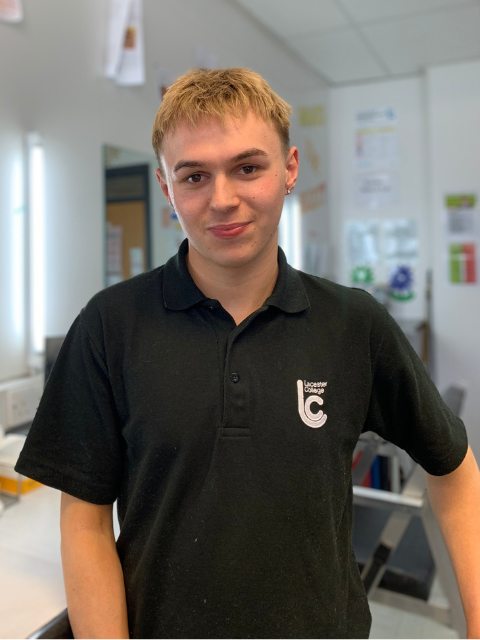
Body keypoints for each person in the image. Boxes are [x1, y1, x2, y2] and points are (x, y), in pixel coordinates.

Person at [15, 68, 480, 639]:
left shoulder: (353, 324)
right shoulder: (110, 327)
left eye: (247, 167)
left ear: (289, 169)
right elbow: (84, 522)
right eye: (194, 176)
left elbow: (454, 468)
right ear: (167, 189)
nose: (223, 199)